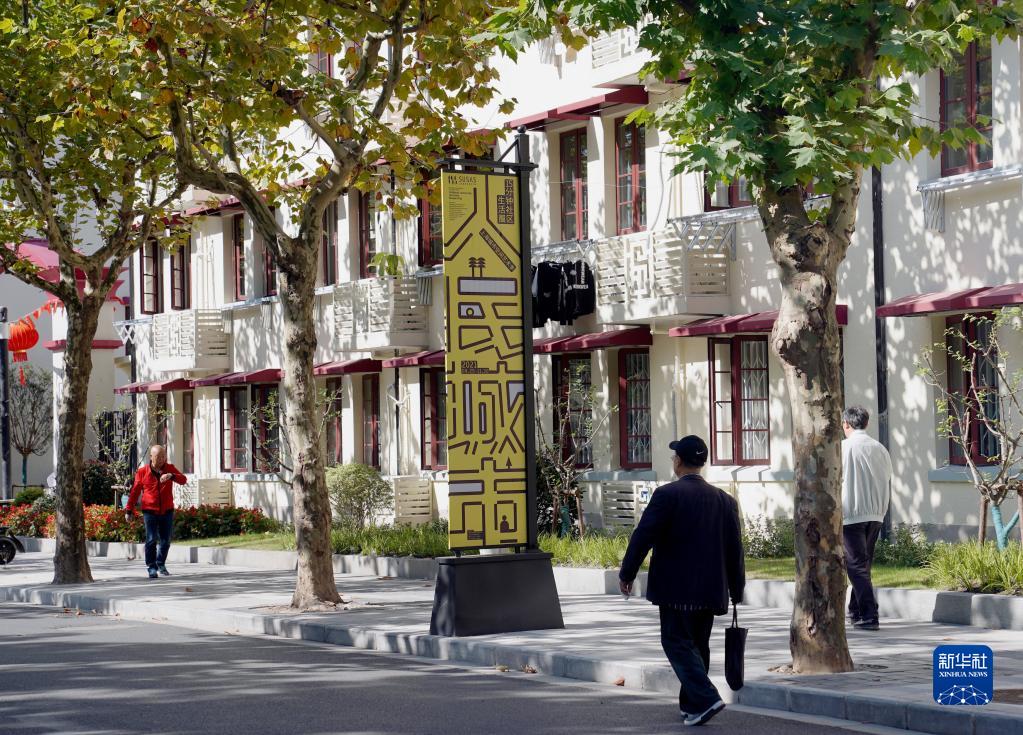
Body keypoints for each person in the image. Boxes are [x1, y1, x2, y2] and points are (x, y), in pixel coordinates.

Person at [619, 435, 745, 727]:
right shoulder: (725, 501)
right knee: (698, 646)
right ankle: (692, 707)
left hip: (675, 589)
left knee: (675, 642)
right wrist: (737, 589)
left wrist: (627, 573)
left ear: (678, 462)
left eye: (674, 456)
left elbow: (643, 536)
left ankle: (706, 697)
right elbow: (735, 550)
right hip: (711, 590)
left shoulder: (667, 495)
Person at [841, 406, 893, 631]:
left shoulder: (843, 448)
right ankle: (856, 610)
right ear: (867, 423)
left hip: (852, 512)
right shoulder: (879, 448)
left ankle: (870, 614)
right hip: (876, 512)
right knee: (863, 564)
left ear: (846, 424)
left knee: (855, 566)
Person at [125, 445, 186, 579]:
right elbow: (135, 492)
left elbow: (183, 480)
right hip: (149, 511)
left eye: (163, 456)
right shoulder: (142, 472)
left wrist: (171, 476)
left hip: (167, 510)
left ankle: (160, 563)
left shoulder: (169, 468)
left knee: (166, 541)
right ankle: (151, 567)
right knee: (151, 539)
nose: (162, 459)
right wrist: (129, 510)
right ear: (151, 457)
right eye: (158, 457)